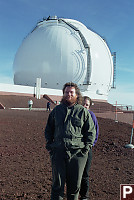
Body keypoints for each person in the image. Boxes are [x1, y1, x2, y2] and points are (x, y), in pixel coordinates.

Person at [45, 82, 96, 200]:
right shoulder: (57, 111)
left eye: (71, 92)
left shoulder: (82, 112)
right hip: (58, 152)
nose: (69, 94)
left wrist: (85, 149)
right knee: (57, 186)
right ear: (63, 94)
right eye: (67, 92)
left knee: (74, 187)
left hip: (77, 154)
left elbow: (91, 132)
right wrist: (50, 146)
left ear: (77, 94)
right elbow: (49, 129)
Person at [79, 96, 99, 200]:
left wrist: (89, 146)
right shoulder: (75, 114)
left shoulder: (91, 116)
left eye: (87, 105)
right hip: (75, 148)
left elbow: (95, 133)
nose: (84, 106)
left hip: (86, 149)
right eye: (83, 103)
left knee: (85, 173)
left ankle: (84, 195)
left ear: (89, 106)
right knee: (74, 173)